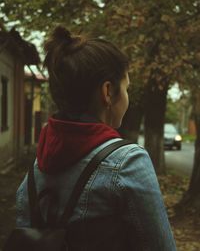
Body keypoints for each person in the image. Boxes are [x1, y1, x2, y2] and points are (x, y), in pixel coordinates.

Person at [16, 26, 176, 250]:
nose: (127, 98)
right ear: (108, 91)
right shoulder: (127, 162)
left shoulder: (35, 172)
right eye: (126, 88)